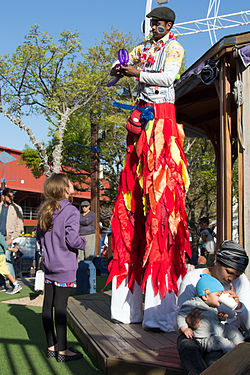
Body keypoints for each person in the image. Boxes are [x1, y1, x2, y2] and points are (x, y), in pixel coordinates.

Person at [106, 6, 190, 331]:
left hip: (161, 125)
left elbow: (169, 77)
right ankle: (127, 308)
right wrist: (120, 68)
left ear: (168, 25)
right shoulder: (146, 48)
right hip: (139, 122)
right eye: (152, 22)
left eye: (159, 23)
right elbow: (122, 68)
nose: (154, 26)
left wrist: (134, 74)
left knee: (160, 207)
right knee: (130, 205)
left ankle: (159, 313)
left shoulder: (174, 48)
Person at [177, 240, 250, 375]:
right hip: (199, 336)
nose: (232, 278)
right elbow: (180, 313)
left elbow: (248, 326)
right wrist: (189, 322)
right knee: (186, 344)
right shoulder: (194, 279)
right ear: (217, 263)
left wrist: (239, 306)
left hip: (226, 336)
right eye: (229, 272)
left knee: (216, 359)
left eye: (237, 275)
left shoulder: (241, 282)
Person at [37, 173, 86, 362]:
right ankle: (63, 351)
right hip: (64, 266)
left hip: (49, 265)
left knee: (47, 306)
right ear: (65, 189)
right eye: (70, 182)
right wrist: (83, 242)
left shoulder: (45, 210)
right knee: (60, 308)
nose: (73, 184)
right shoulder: (71, 211)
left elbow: (39, 238)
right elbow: (72, 239)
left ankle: (52, 346)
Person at [177, 274, 244, 353]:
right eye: (218, 295)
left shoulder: (212, 306)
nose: (220, 298)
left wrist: (220, 317)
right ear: (205, 296)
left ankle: (241, 345)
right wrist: (184, 328)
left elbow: (211, 318)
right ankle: (233, 351)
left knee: (231, 329)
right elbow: (181, 316)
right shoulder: (193, 304)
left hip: (218, 331)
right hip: (205, 338)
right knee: (220, 341)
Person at [0, 188, 24, 290]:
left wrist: (13, 237)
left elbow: (20, 225)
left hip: (9, 237)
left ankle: (14, 284)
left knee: (7, 260)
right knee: (1, 261)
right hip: (0, 237)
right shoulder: (0, 207)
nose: (11, 198)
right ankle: (2, 284)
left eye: (12, 196)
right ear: (3, 196)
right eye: (9, 196)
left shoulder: (17, 208)